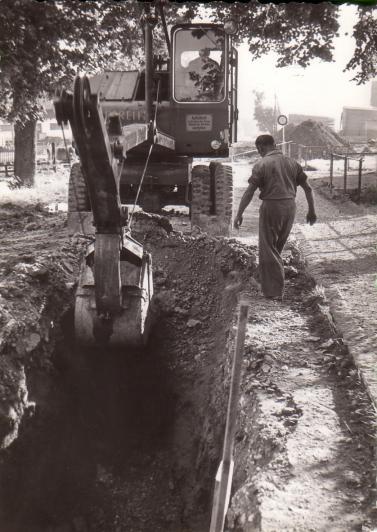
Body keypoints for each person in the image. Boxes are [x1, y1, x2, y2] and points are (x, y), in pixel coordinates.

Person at [234, 134, 317, 301]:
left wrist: (239, 213)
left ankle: (274, 291)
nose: (259, 153)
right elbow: (308, 189)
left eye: (258, 150)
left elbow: (250, 192)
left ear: (261, 147)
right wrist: (311, 211)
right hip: (290, 207)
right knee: (277, 247)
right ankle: (264, 279)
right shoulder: (293, 163)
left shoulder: (262, 164)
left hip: (272, 206)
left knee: (268, 248)